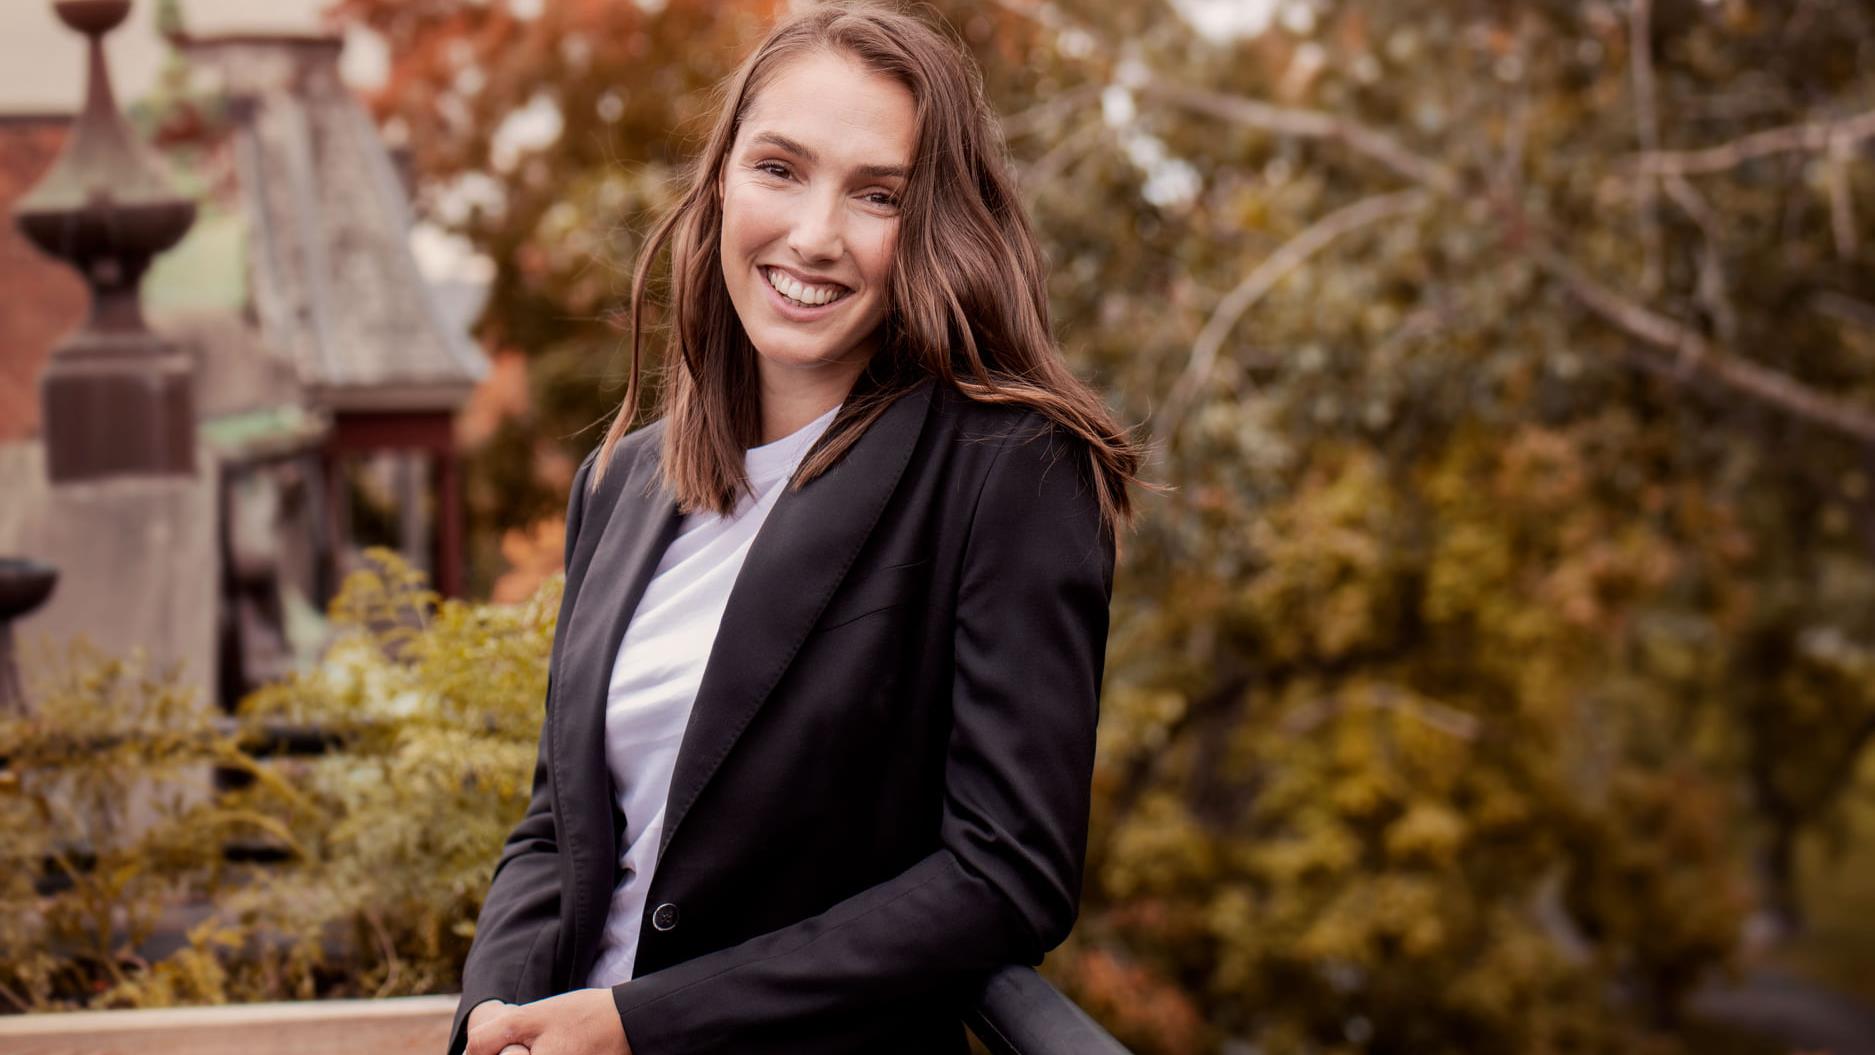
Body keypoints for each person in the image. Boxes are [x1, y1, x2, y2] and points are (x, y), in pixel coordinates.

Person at [453, 3, 1144, 1053]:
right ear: (723, 177)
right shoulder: (624, 482)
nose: (815, 235)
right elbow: (558, 829)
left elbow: (1005, 870)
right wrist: (490, 1022)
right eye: (781, 168)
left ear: (932, 227)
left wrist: (644, 1022)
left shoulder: (1009, 472)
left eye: (877, 194)